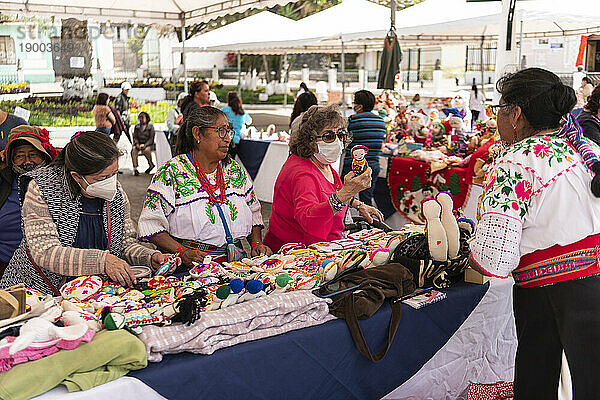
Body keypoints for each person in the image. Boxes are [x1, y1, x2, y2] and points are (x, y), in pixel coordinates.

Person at [468, 67, 600, 399]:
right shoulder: (584, 151)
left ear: (516, 114)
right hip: (587, 280)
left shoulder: (517, 162)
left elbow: (495, 258)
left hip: (552, 290)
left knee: (537, 378)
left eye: (498, 109)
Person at [0, 132, 173, 293]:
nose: (111, 182)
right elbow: (45, 252)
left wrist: (150, 257)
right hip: (36, 291)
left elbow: (125, 244)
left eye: (114, 174)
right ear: (76, 176)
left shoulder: (117, 193)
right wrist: (103, 261)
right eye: (102, 178)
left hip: (89, 291)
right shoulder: (42, 189)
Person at [138, 106, 271, 266]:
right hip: (192, 268)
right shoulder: (171, 172)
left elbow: (253, 211)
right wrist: (182, 252)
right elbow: (151, 223)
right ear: (197, 134)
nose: (228, 138)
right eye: (221, 131)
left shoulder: (234, 170)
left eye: (229, 131)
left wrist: (256, 243)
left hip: (236, 265)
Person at [263, 105, 384, 252]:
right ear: (310, 140)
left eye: (340, 135)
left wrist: (357, 204)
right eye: (328, 136)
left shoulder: (322, 163)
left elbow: (329, 192)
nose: (337, 141)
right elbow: (309, 220)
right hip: (295, 254)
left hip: (323, 247)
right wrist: (347, 192)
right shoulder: (302, 174)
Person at [0, 126, 57, 278]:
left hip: (46, 266)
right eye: (19, 156)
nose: (27, 161)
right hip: (4, 262)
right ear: (10, 159)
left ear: (44, 156)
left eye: (33, 154)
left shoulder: (56, 182)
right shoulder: (5, 180)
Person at [341, 90, 386, 206]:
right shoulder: (381, 122)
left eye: (354, 102)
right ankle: (367, 222)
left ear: (360, 106)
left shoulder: (352, 120)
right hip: (373, 165)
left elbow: (343, 139)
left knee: (343, 196)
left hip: (353, 165)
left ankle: (342, 222)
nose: (353, 105)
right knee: (367, 199)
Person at [221, 92, 252, 158]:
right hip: (237, 141)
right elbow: (249, 121)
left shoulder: (225, 110)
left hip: (226, 139)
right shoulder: (243, 112)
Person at [131, 111, 156, 176]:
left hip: (148, 144)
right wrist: (137, 144)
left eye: (142, 117)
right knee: (134, 150)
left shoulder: (150, 127)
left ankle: (151, 165)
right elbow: (135, 137)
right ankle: (135, 168)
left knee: (146, 150)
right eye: (140, 117)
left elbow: (151, 138)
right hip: (139, 144)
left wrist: (145, 145)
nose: (141, 119)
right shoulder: (137, 127)